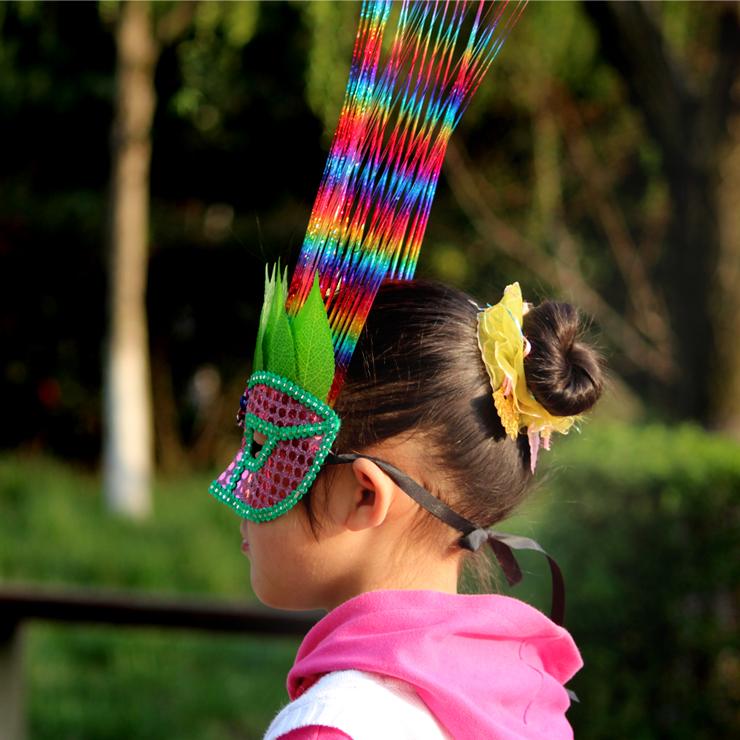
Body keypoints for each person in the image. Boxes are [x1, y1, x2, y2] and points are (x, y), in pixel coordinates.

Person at [234, 278, 604, 740]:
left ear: (365, 495)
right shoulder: (523, 701)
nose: (240, 485)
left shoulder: (335, 726)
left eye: (267, 451)